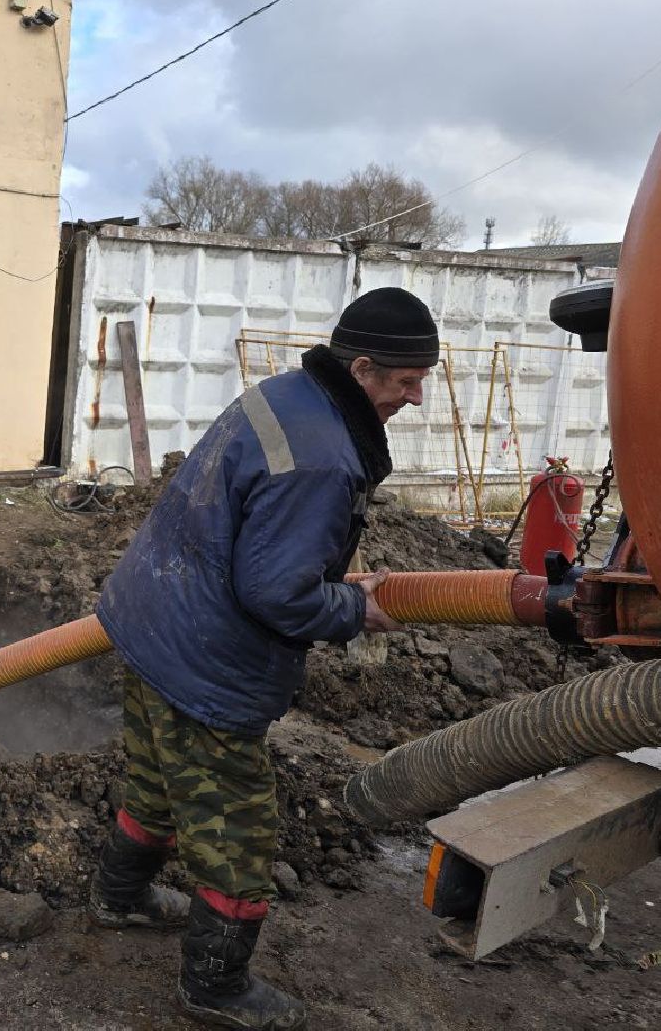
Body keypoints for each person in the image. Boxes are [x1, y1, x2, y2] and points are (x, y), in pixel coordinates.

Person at [87, 287, 437, 1030]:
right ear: (365, 367)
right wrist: (355, 608)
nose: (417, 395)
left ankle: (118, 899)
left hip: (151, 618)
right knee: (240, 834)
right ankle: (214, 987)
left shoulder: (287, 395)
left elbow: (262, 541)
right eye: (407, 380)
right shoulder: (323, 458)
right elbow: (276, 593)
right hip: (205, 663)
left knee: (153, 783)